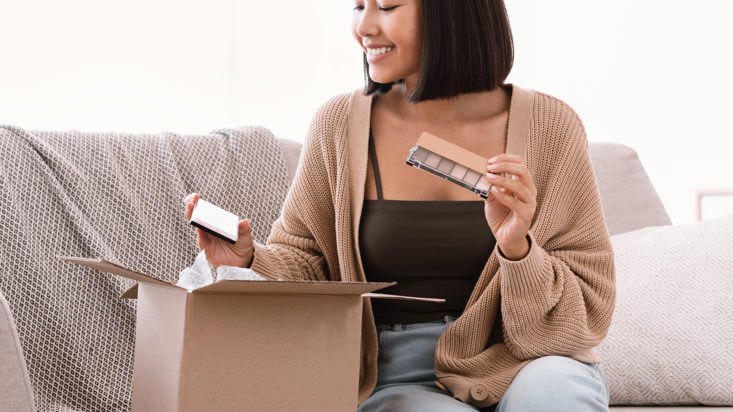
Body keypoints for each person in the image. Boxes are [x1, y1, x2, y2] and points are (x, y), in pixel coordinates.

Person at [183, 0, 615, 410]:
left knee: (554, 396)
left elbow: (588, 304)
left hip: (527, 361)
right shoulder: (339, 124)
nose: (364, 27)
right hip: (399, 375)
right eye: (358, 6)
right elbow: (309, 261)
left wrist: (518, 250)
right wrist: (250, 260)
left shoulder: (551, 126)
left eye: (387, 7)